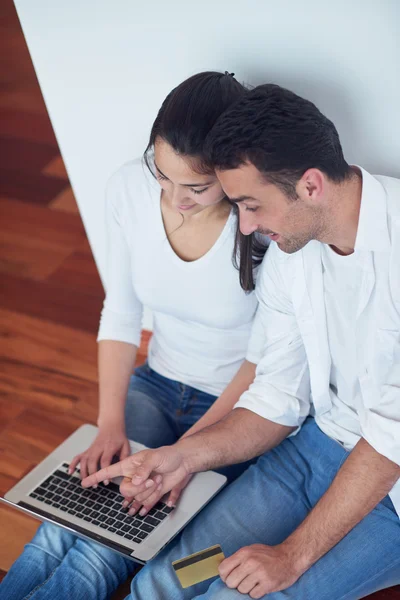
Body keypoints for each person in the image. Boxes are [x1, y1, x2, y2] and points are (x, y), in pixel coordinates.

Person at [84, 83, 400, 599]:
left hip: (392, 493)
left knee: (231, 596)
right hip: (316, 450)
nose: (246, 225)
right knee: (166, 580)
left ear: (311, 185)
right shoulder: (292, 254)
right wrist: (183, 458)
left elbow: (391, 437)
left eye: (252, 205)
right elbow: (276, 395)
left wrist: (293, 555)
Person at [0, 72, 268, 600]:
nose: (175, 198)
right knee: (62, 525)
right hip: (158, 383)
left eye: (197, 186)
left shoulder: (262, 222)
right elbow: (121, 313)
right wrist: (108, 423)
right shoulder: (127, 187)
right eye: (163, 176)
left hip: (235, 411)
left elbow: (261, 362)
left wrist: (188, 455)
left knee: (102, 550)